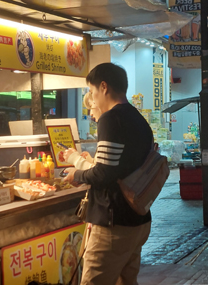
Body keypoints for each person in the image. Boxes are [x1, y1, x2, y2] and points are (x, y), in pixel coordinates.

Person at [64, 63, 153, 285]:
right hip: (138, 219)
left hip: (115, 223)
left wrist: (76, 174)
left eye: (93, 92)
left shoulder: (111, 119)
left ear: (104, 87)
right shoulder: (139, 120)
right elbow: (117, 166)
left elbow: (103, 173)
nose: (93, 98)